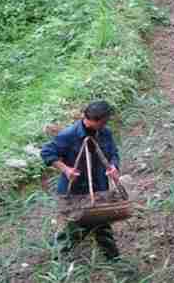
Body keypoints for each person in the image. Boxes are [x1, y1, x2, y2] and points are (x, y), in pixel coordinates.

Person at [41, 100, 121, 260]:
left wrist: (113, 166)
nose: (104, 125)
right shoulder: (69, 135)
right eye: (103, 122)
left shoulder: (105, 133)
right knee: (75, 226)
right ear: (93, 119)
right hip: (75, 191)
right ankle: (58, 258)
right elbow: (47, 153)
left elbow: (113, 153)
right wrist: (66, 169)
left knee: (101, 224)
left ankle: (113, 259)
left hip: (99, 187)